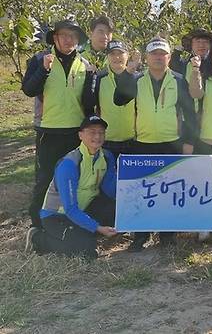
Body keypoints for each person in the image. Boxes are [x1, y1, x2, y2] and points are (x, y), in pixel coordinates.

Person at [114, 37, 198, 251]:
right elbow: (119, 99)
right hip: (143, 143)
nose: (159, 57)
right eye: (154, 53)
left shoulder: (179, 80)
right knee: (142, 191)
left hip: (171, 143)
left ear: (169, 57)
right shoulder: (136, 79)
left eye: (163, 54)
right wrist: (126, 72)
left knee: (168, 190)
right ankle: (141, 235)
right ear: (147, 57)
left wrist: (188, 142)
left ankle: (167, 235)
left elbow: (190, 114)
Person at [21, 19, 94, 229]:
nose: (69, 40)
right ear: (55, 37)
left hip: (75, 133)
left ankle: (69, 223)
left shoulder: (85, 65)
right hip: (49, 131)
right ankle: (38, 226)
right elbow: (29, 90)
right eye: (64, 35)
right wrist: (43, 70)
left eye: (73, 36)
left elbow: (88, 102)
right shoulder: (39, 59)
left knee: (73, 180)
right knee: (45, 179)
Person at [25, 115, 117, 259]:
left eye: (101, 132)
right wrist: (98, 227)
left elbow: (110, 191)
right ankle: (38, 238)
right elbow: (69, 208)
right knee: (87, 252)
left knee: (115, 209)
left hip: (83, 210)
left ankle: (82, 235)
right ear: (80, 135)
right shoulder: (69, 164)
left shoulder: (107, 157)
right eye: (92, 132)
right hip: (57, 216)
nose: (97, 136)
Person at [83, 40, 139, 157]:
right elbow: (90, 104)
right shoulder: (99, 77)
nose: (116, 57)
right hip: (107, 141)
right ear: (107, 56)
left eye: (120, 53)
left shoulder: (137, 78)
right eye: (112, 54)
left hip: (133, 140)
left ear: (127, 55)